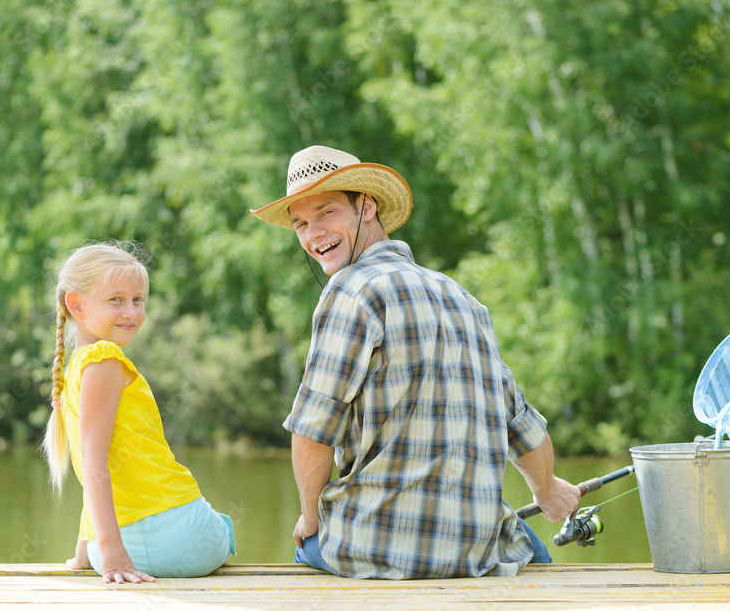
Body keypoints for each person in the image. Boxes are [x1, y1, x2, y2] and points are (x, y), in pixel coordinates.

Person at [250, 145, 580, 579]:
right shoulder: (463, 299)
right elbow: (518, 424)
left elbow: (313, 433)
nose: (314, 234)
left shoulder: (350, 292)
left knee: (308, 545)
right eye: (301, 224)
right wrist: (547, 490)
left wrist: (310, 518)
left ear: (366, 206)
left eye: (327, 212)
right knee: (528, 550)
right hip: (478, 554)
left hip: (370, 547)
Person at [41, 241, 236, 584]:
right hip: (179, 543)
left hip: (112, 551)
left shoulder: (77, 368)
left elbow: (95, 463)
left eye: (138, 300)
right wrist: (113, 552)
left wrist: (90, 553)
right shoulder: (104, 359)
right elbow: (94, 462)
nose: (131, 312)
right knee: (221, 526)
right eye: (116, 299)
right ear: (76, 304)